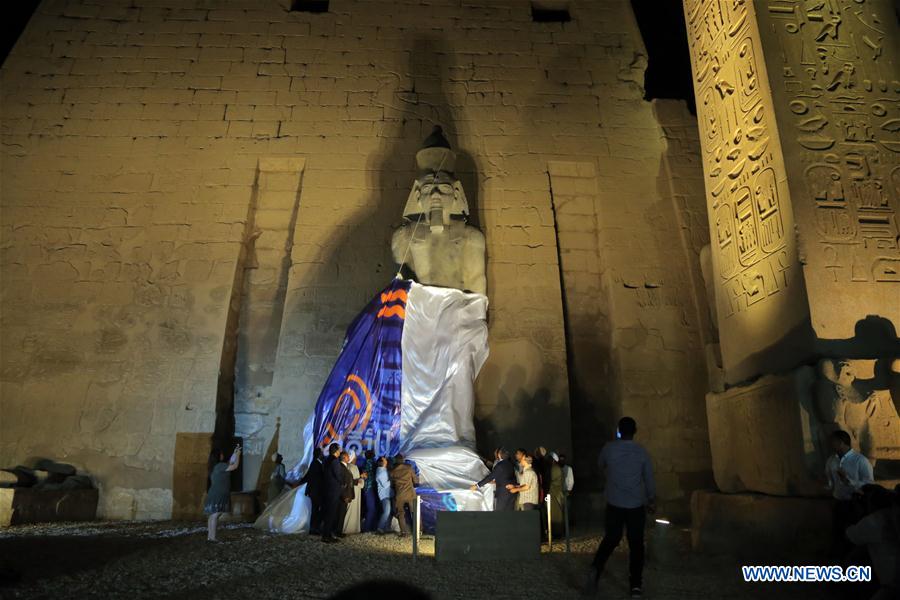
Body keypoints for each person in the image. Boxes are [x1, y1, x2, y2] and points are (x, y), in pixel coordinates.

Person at [586, 417, 655, 599]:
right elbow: (648, 478)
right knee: (636, 545)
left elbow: (601, 465)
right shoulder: (641, 452)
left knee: (611, 539)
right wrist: (651, 499)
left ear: (619, 430)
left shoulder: (609, 448)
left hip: (615, 502)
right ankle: (635, 586)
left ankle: (596, 568)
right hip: (635, 504)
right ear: (635, 431)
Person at [825, 429, 874, 556]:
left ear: (842, 443)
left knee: (854, 537)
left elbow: (869, 484)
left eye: (833, 441)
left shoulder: (860, 460)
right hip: (837, 503)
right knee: (837, 533)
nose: (830, 444)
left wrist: (849, 481)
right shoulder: (831, 460)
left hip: (855, 504)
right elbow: (830, 483)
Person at [846, 485, 899, 600]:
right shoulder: (889, 515)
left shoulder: (875, 520)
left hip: (892, 584)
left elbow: (851, 535)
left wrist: (859, 514)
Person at [203, 443, 241, 542]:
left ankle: (210, 536)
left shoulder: (216, 466)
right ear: (218, 455)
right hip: (218, 494)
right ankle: (213, 537)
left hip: (214, 493)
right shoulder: (220, 466)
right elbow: (234, 466)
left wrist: (235, 453)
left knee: (212, 515)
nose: (223, 455)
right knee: (215, 515)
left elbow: (230, 463)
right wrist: (238, 455)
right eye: (221, 454)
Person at [390, 454, 419, 537]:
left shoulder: (393, 471)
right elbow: (416, 480)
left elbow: (392, 485)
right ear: (403, 460)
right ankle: (419, 531)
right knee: (415, 512)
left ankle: (404, 533)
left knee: (401, 513)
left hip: (399, 495)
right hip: (410, 494)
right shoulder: (409, 468)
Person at [321, 443, 344, 543]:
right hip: (334, 490)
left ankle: (327, 533)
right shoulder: (335, 461)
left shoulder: (326, 460)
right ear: (336, 451)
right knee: (331, 513)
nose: (340, 451)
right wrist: (342, 483)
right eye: (339, 450)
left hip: (327, 488)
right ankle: (327, 535)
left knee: (328, 512)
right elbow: (338, 475)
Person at [300, 447, 325, 534]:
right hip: (316, 491)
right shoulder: (316, 464)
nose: (323, 454)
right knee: (315, 510)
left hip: (315, 491)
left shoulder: (315, 463)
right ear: (319, 454)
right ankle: (313, 528)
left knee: (315, 509)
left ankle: (314, 527)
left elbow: (308, 476)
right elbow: (311, 477)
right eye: (322, 453)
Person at [342, 451, 366, 534]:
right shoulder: (354, 467)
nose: (356, 459)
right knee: (352, 510)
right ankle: (351, 529)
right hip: (354, 491)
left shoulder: (348, 466)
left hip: (350, 491)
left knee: (349, 510)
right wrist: (362, 478)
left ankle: (347, 528)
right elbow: (357, 481)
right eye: (355, 458)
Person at [361, 449, 379, 532]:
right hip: (369, 487)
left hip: (369, 488)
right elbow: (365, 474)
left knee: (372, 508)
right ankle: (367, 528)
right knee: (372, 508)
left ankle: (369, 527)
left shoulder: (367, 462)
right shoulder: (370, 462)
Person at [375, 456, 393, 534]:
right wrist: (392, 480)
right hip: (384, 495)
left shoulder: (383, 470)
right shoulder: (381, 472)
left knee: (388, 512)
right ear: (381, 462)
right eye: (384, 459)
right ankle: (380, 528)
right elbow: (385, 485)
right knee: (386, 511)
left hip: (387, 494)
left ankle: (386, 528)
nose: (386, 460)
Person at [548, 452, 565, 529]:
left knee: (556, 513)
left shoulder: (555, 468)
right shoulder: (554, 467)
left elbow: (553, 480)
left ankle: (557, 531)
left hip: (555, 492)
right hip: (554, 491)